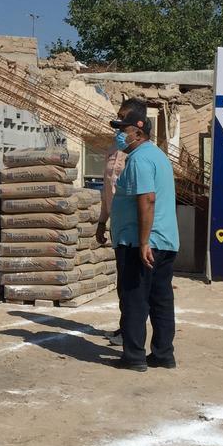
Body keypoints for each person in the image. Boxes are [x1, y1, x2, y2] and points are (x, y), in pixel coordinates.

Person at [98, 99, 179, 371]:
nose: (119, 133)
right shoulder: (158, 156)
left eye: (123, 127)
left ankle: (133, 357)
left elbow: (147, 200)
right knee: (160, 300)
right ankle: (163, 355)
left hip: (140, 244)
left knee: (134, 299)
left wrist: (143, 242)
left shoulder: (140, 159)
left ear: (138, 129)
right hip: (164, 241)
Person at [95, 142, 126, 345]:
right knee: (122, 281)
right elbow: (107, 192)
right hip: (117, 224)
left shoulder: (138, 155)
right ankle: (126, 326)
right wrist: (101, 222)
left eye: (124, 127)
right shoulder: (111, 151)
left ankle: (130, 332)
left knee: (131, 282)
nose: (120, 131)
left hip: (132, 225)